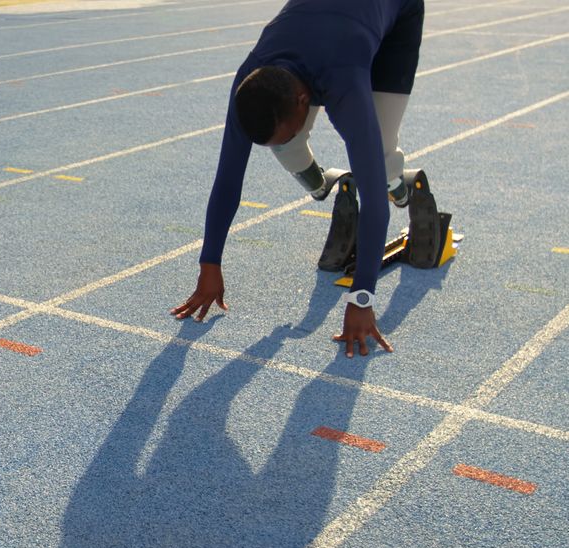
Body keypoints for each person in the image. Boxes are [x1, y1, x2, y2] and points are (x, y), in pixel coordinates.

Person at [171, 0, 425, 358]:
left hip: (394, 16)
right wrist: (209, 263)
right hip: (331, 27)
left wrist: (362, 296)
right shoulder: (252, 81)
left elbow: (372, 207)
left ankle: (397, 186)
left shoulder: (344, 86)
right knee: (285, 146)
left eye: (289, 129)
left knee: (378, 159)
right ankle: (321, 183)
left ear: (305, 100)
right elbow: (227, 178)